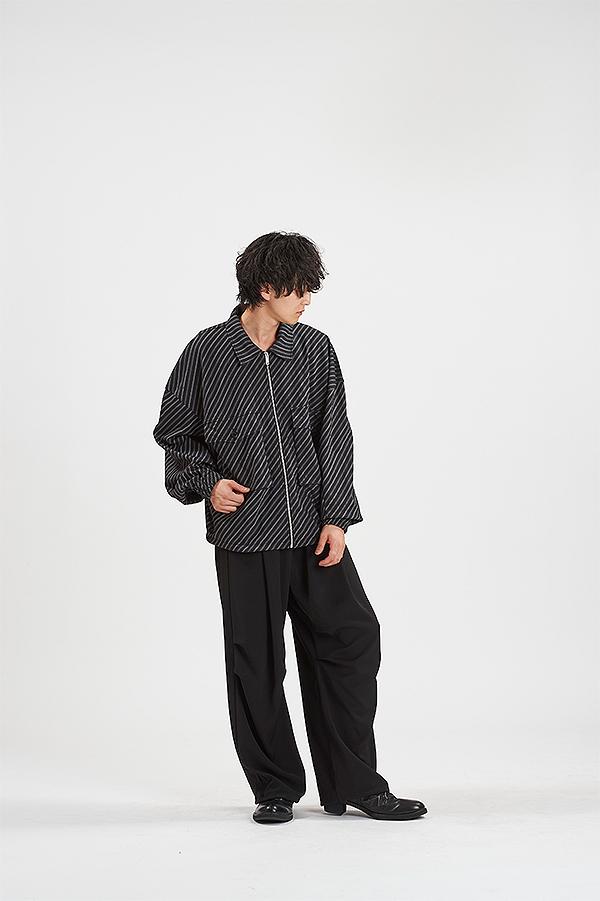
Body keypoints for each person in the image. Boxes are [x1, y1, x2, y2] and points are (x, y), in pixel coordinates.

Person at [152, 231, 427, 825]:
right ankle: (274, 787)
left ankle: (356, 783)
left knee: (352, 637)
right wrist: (207, 483)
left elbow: (335, 433)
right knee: (256, 660)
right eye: (299, 288)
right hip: (246, 532)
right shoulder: (207, 351)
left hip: (311, 530)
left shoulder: (315, 349)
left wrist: (337, 516)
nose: (307, 299)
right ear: (265, 287)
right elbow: (173, 432)